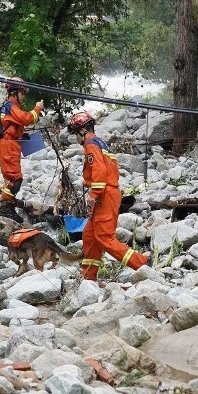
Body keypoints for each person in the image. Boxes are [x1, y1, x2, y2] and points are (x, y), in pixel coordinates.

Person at [67, 110, 149, 282]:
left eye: (76, 133)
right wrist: (89, 183)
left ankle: (141, 264)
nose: (76, 137)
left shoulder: (90, 144)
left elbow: (100, 170)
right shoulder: (101, 144)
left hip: (104, 195)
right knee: (89, 235)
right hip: (108, 192)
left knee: (105, 238)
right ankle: (88, 276)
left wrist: (94, 194)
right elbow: (109, 170)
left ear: (82, 131)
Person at [0, 77, 44, 222]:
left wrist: (22, 134)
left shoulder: (10, 107)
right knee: (15, 179)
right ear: (15, 92)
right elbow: (25, 118)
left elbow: (14, 125)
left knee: (12, 179)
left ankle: (8, 206)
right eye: (22, 93)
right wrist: (37, 109)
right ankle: (5, 208)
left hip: (10, 144)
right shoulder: (11, 106)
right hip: (8, 145)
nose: (23, 96)